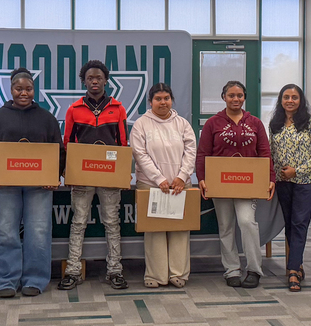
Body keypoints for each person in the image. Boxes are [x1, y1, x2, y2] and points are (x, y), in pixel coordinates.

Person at [0, 68, 63, 298]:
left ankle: (35, 279)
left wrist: (55, 175)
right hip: (4, 186)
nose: (24, 93)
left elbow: (59, 151)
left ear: (34, 90)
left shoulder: (47, 118)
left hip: (39, 187)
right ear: (11, 90)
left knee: (39, 232)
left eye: (28, 89)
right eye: (18, 88)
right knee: (5, 233)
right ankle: (6, 280)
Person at [195, 80, 275, 288]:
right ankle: (231, 269)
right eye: (231, 95)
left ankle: (254, 269)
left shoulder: (255, 123)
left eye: (239, 95)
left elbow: (265, 153)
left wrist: (270, 178)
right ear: (224, 97)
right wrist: (201, 178)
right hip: (220, 184)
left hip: (247, 184)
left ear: (244, 98)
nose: (236, 99)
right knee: (226, 227)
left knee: (247, 222)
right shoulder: (213, 123)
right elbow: (203, 153)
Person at [59, 60, 129, 291]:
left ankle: (115, 270)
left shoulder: (118, 108)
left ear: (106, 80)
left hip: (110, 176)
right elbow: (67, 143)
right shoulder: (74, 109)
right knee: (78, 222)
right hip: (82, 176)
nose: (95, 81)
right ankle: (72, 271)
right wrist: (69, 172)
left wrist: (123, 174)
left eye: (99, 77)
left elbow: (122, 143)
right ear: (84, 80)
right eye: (90, 78)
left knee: (112, 223)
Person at [130, 83, 196, 288]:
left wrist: (181, 176)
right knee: (155, 232)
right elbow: (140, 155)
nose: (163, 102)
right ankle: (155, 275)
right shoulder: (141, 124)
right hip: (150, 185)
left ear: (172, 100)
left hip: (179, 186)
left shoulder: (183, 123)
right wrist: (159, 179)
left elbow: (191, 151)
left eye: (166, 98)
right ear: (150, 102)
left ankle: (178, 274)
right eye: (158, 99)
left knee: (179, 230)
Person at [270, 84, 311, 291]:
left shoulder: (310, 124)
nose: (290, 101)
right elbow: (271, 153)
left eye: (294, 97)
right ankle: (297, 263)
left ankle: (293, 270)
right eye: (286, 97)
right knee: (290, 224)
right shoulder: (275, 124)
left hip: (306, 182)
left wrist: (297, 170)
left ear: (301, 100)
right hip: (282, 183)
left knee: (300, 223)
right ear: (281, 100)